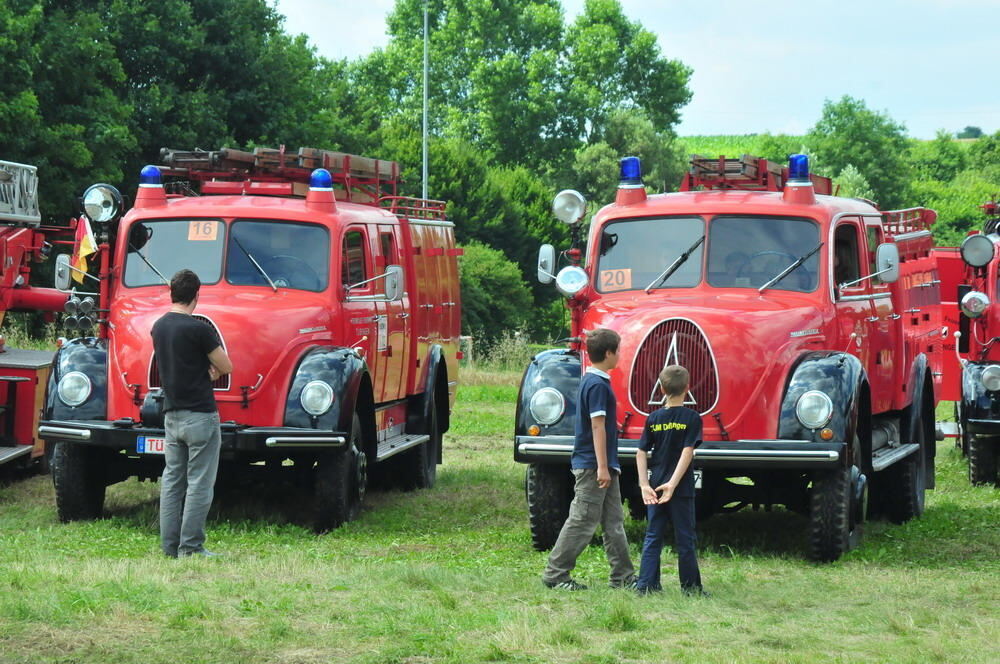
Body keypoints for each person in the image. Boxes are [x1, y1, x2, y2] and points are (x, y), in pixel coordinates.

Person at [541, 329, 636, 590]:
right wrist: (602, 467)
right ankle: (556, 574)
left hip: (605, 465)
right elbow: (597, 427)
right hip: (594, 465)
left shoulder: (596, 381)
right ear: (608, 353)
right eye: (617, 350)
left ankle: (623, 577)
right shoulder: (596, 384)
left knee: (614, 522)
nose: (619, 355)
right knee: (582, 520)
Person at [151, 269, 233, 558]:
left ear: (171, 293)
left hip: (171, 415)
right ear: (197, 295)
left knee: (172, 482)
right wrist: (210, 374)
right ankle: (191, 547)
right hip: (200, 415)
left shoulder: (158, 327)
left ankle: (169, 547)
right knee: (199, 483)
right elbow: (226, 365)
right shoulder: (199, 329)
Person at [635, 365, 707, 596]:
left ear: (662, 388)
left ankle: (646, 585)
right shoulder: (692, 418)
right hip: (681, 488)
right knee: (685, 537)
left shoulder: (653, 418)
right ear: (688, 387)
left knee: (653, 536)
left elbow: (640, 452)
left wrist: (644, 485)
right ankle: (691, 588)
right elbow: (688, 451)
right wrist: (673, 485)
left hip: (655, 483)